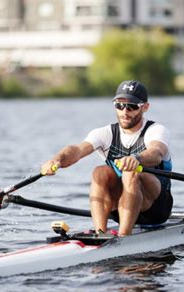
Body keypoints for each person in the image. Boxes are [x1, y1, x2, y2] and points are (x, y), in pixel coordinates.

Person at [41, 80, 173, 236]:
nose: (125, 112)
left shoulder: (156, 130)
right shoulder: (105, 133)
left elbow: (156, 153)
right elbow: (77, 150)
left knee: (130, 172)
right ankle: (101, 233)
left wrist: (137, 158)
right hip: (121, 209)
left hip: (155, 209)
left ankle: (124, 237)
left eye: (132, 106)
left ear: (145, 107)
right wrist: (57, 159)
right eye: (120, 105)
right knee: (99, 172)